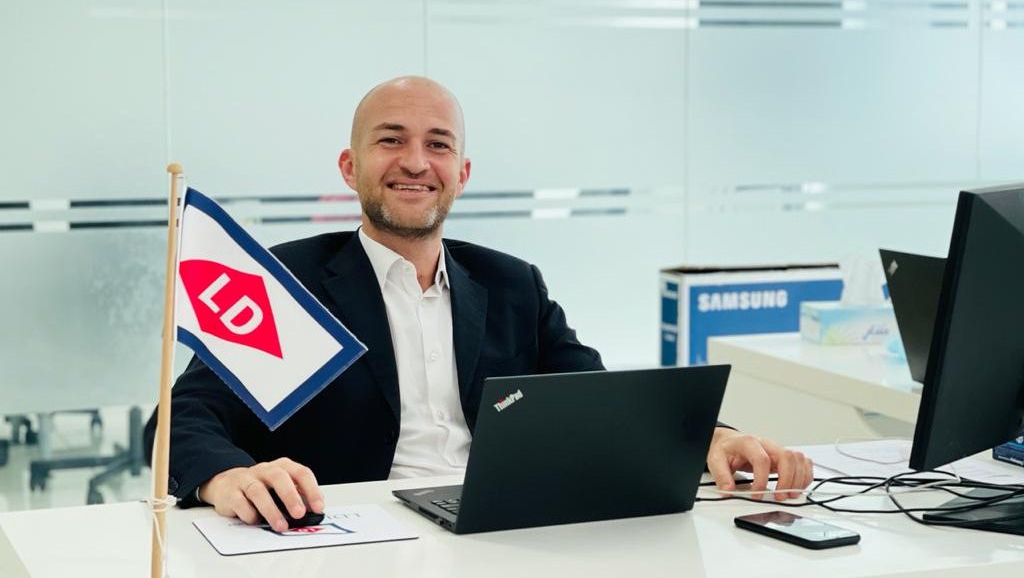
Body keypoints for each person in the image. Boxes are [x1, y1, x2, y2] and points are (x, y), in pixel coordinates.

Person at [144, 76, 813, 532]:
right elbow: (178, 421)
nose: (416, 162)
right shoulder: (286, 282)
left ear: (461, 174)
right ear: (350, 167)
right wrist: (227, 476)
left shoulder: (513, 284)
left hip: (501, 528)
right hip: (350, 535)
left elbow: (603, 402)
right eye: (391, 140)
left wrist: (714, 438)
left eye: (438, 145)